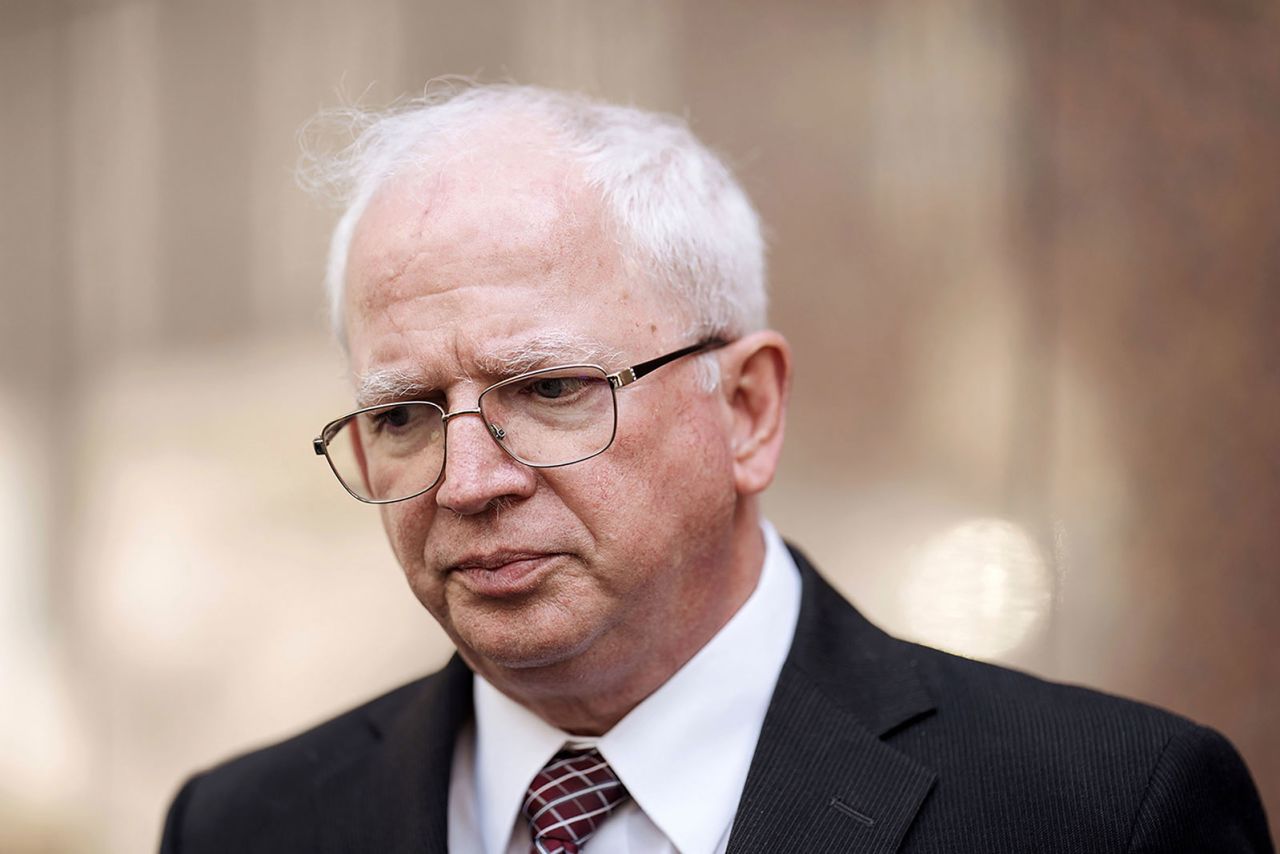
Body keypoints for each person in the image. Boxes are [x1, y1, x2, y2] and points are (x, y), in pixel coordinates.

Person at [160, 83, 1272, 853]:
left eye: (548, 390)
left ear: (746, 409)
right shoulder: (245, 823)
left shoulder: (1098, 811)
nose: (465, 481)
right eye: (403, 412)